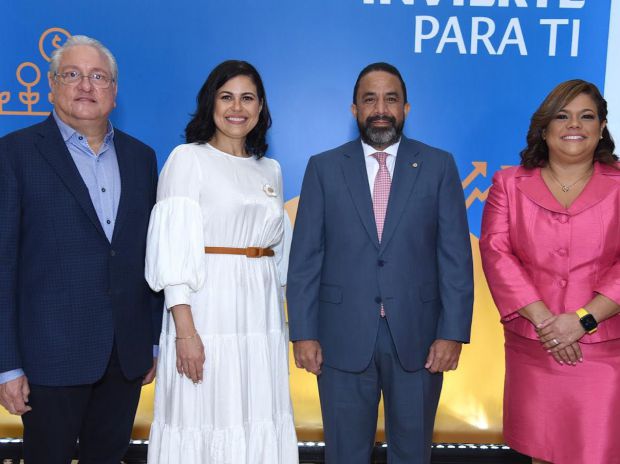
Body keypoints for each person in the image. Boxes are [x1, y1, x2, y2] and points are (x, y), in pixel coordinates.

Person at [287, 62, 474, 464]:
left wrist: (452, 333)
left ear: (406, 107)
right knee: (345, 454)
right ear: (353, 109)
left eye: (391, 98)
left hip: (420, 338)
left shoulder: (439, 166)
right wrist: (303, 332)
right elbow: (305, 258)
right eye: (369, 99)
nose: (380, 108)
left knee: (412, 453)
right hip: (340, 337)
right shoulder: (323, 167)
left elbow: (455, 257)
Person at [0, 35, 163, 463]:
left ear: (113, 91)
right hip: (48, 358)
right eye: (72, 75)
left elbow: (150, 257)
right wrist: (7, 365)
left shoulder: (141, 158)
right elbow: (3, 265)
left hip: (124, 357)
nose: (86, 86)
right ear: (52, 86)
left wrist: (152, 342)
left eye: (98, 77)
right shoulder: (14, 154)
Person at [144, 60, 298, 464]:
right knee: (206, 412)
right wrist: (185, 332)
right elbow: (172, 251)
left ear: (261, 107)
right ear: (209, 103)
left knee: (257, 413)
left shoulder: (272, 169)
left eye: (247, 98)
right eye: (226, 96)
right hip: (207, 310)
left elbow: (279, 252)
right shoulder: (186, 159)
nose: (237, 107)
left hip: (261, 316)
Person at [480, 79, 620, 464]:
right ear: (544, 128)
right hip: (536, 347)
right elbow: (496, 253)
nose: (574, 125)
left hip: (603, 351)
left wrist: (582, 319)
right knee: (541, 454)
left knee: (599, 453)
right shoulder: (508, 183)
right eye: (562, 116)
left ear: (602, 126)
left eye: (586, 116)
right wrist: (547, 324)